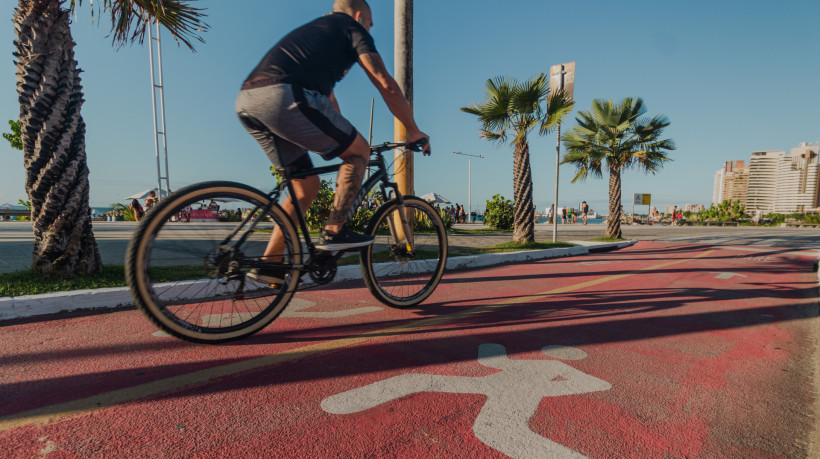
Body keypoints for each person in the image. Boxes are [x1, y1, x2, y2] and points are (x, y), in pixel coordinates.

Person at [235, 0, 430, 284]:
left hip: (250, 100)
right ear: (361, 15)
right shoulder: (351, 27)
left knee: (305, 187)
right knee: (359, 151)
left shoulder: (318, 32)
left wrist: (344, 136)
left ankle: (269, 262)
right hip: (285, 95)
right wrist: (413, 130)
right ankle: (335, 230)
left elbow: (329, 102)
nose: (370, 29)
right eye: (371, 24)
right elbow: (385, 82)